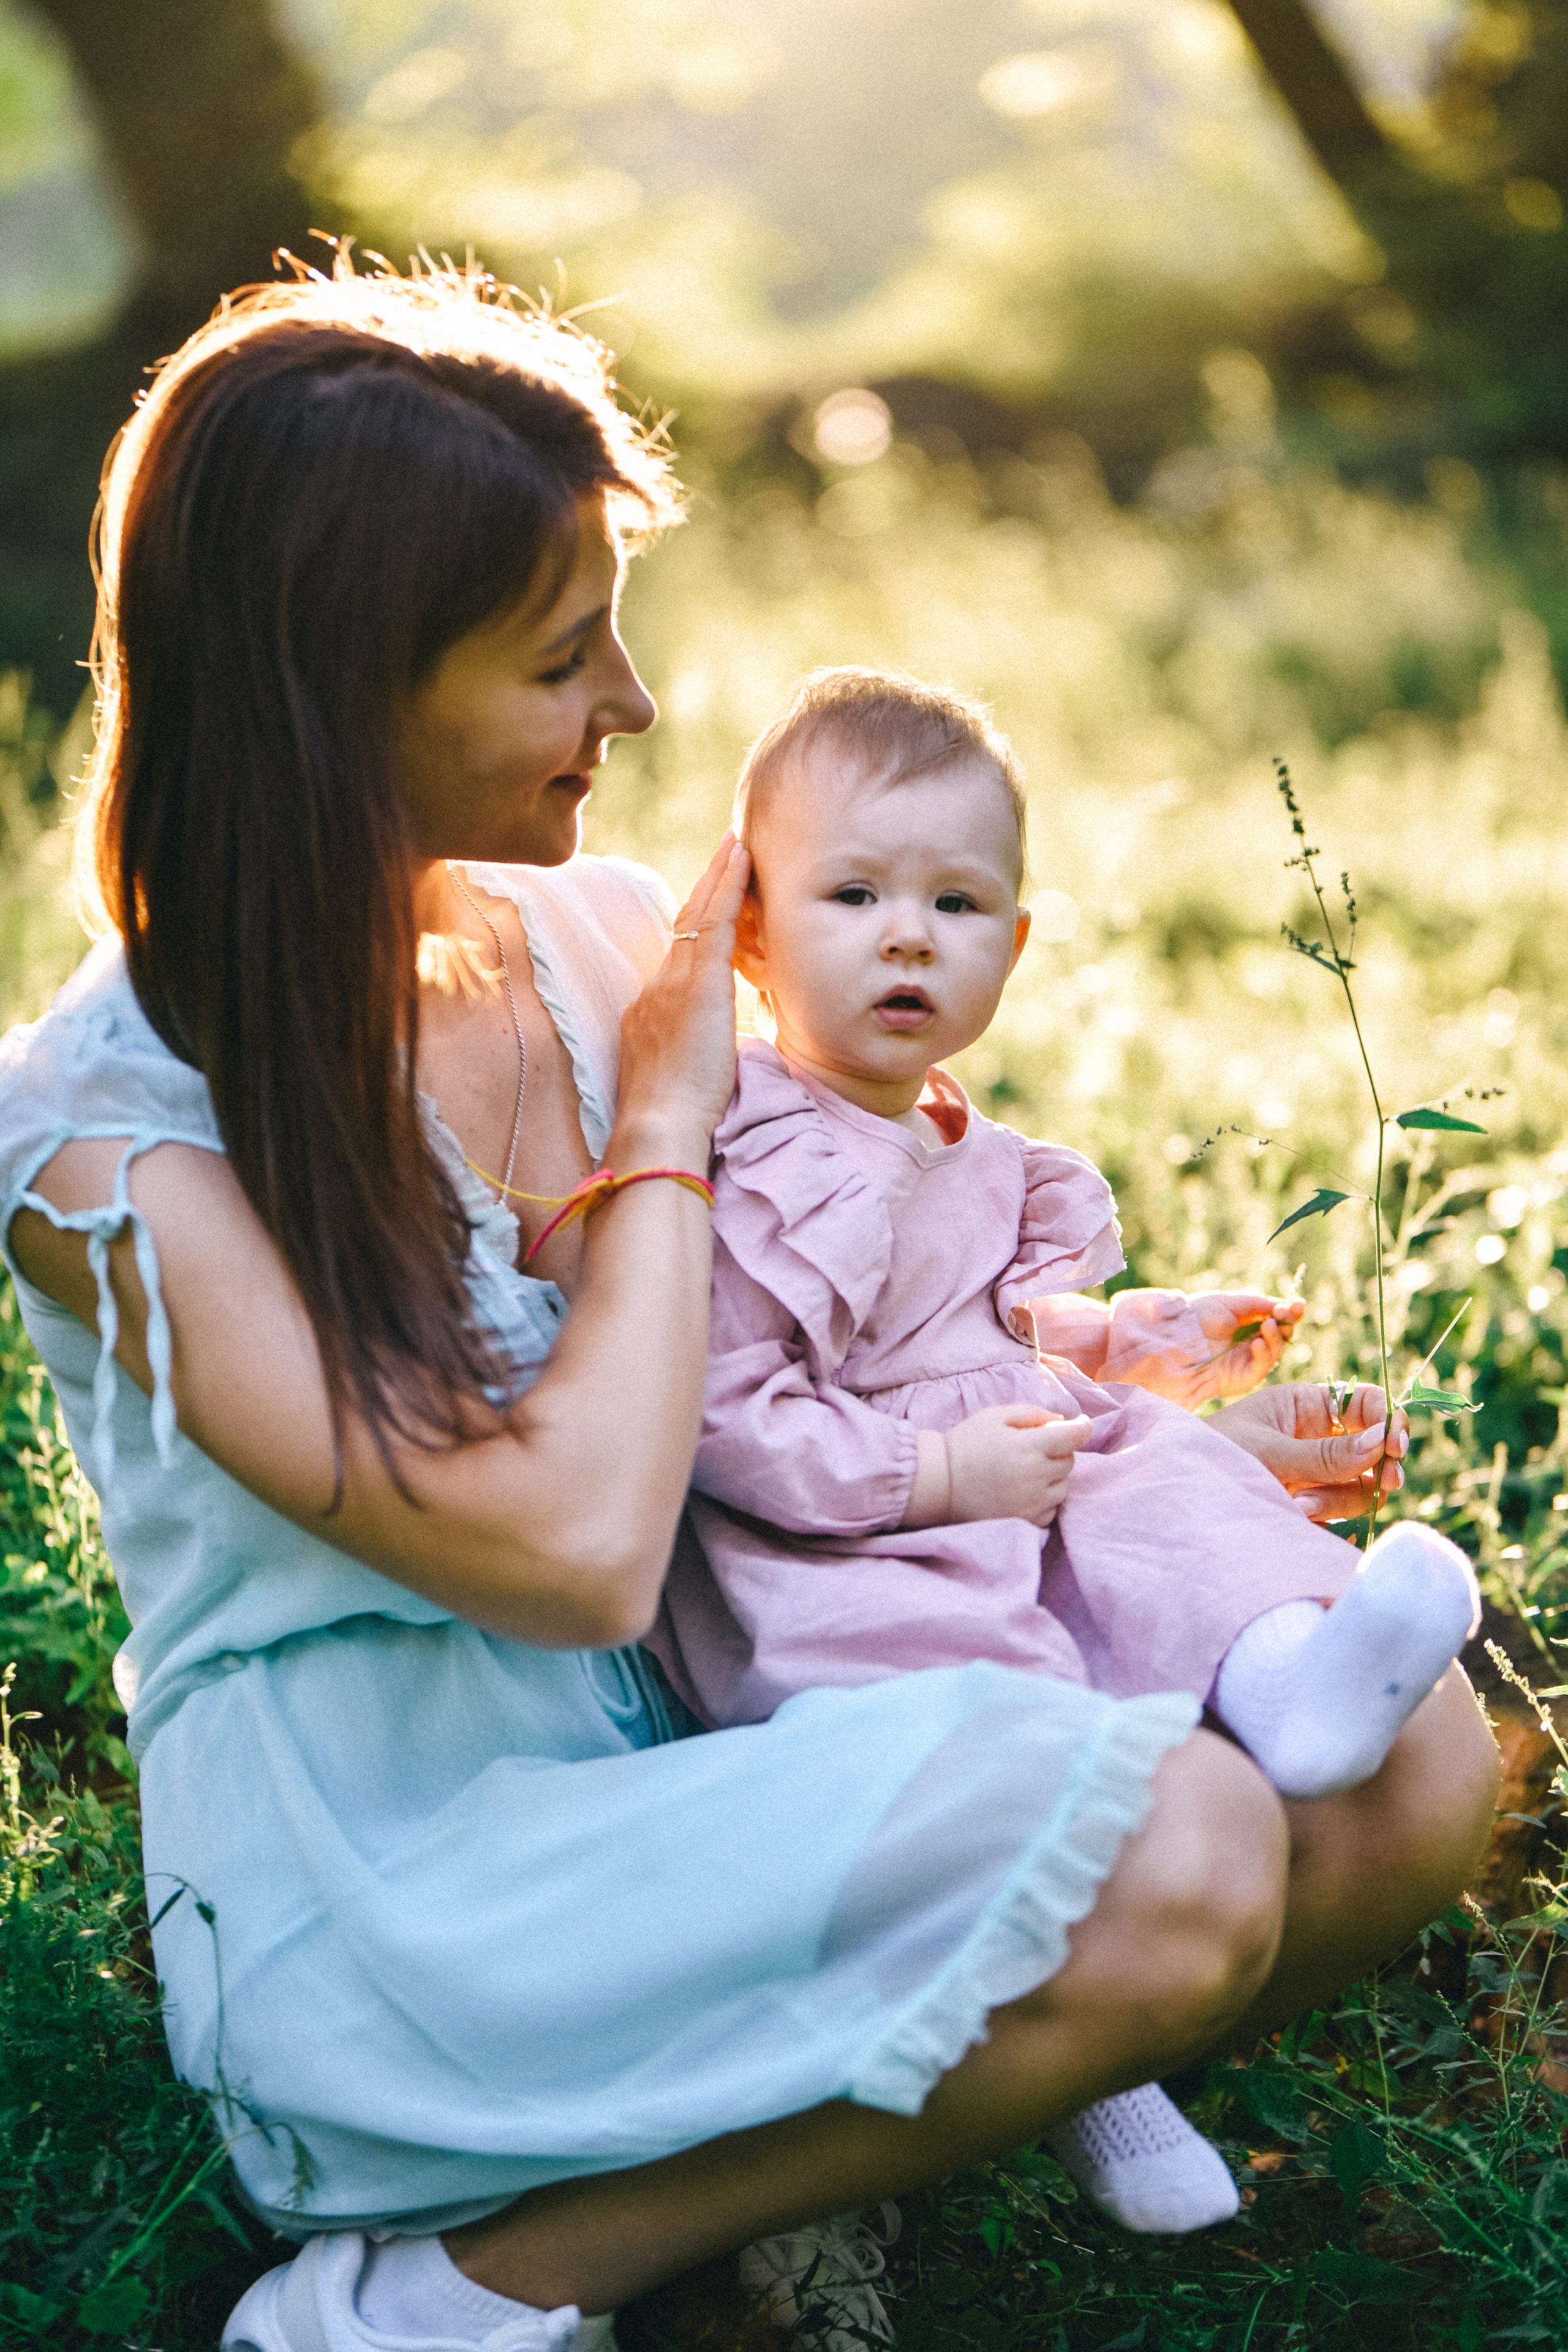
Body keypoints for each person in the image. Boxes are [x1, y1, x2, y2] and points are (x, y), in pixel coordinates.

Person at [0, 261, 1497, 2352]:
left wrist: (1130, 1421)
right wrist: (672, 1131)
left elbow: (861, 1331)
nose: (629, 702)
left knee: (1413, 1759)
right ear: (345, 686)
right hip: (419, 1888)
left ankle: (809, 2154)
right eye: (556, 658)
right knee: (1178, 1843)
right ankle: (465, 2282)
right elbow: (580, 1555)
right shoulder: (111, 1142)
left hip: (761, 1719)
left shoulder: (596, 929)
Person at [647, 664, 1482, 2244]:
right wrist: (935, 1481)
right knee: (992, 1695)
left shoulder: (968, 1145)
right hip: (838, 1556)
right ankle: (1095, 2079)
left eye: (960, 903)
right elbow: (720, 1416)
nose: (911, 934)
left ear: (1015, 950)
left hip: (987, 1477)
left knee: (1162, 1472)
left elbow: (1004, 1335)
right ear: (753, 932)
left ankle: (1286, 1676)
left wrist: (1146, 1344)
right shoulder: (750, 1152)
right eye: (855, 893)